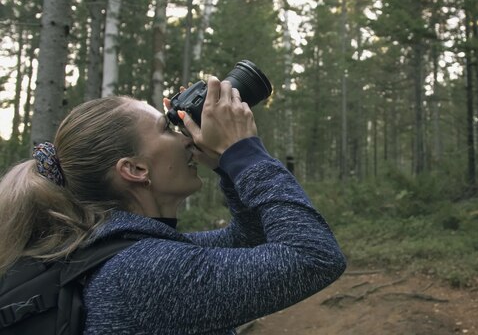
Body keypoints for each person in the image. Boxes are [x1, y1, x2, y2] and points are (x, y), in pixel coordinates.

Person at [0, 76, 346, 334]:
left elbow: (251, 239)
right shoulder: (141, 271)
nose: (186, 137)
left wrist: (227, 165)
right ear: (135, 170)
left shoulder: (124, 251)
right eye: (168, 129)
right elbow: (315, 256)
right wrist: (244, 152)